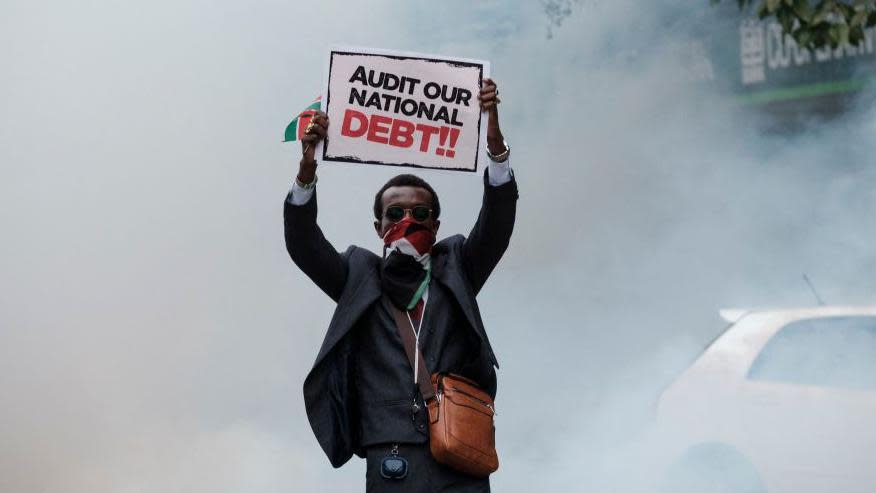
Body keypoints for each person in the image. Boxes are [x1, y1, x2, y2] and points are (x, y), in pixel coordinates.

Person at [284, 78, 517, 492]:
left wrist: (496, 151)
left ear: (436, 224)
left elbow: (497, 224)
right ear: (379, 227)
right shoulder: (357, 275)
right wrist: (306, 174)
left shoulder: (458, 265)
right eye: (395, 214)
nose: (407, 220)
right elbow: (304, 245)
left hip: (462, 448)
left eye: (420, 212)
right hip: (390, 455)